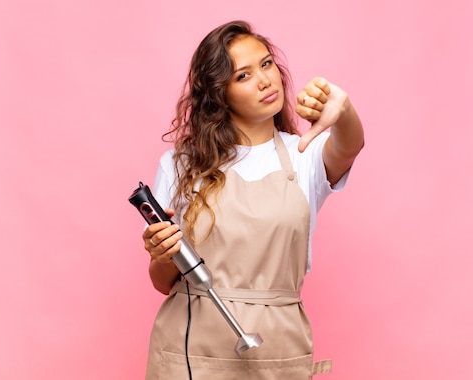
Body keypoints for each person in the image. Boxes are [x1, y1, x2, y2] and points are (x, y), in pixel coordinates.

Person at [140, 20, 364, 379]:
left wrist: (345, 110)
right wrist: (162, 252)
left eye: (266, 64)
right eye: (242, 76)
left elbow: (350, 145)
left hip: (275, 347)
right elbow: (163, 280)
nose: (264, 80)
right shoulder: (180, 165)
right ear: (219, 93)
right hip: (189, 348)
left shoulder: (306, 153)